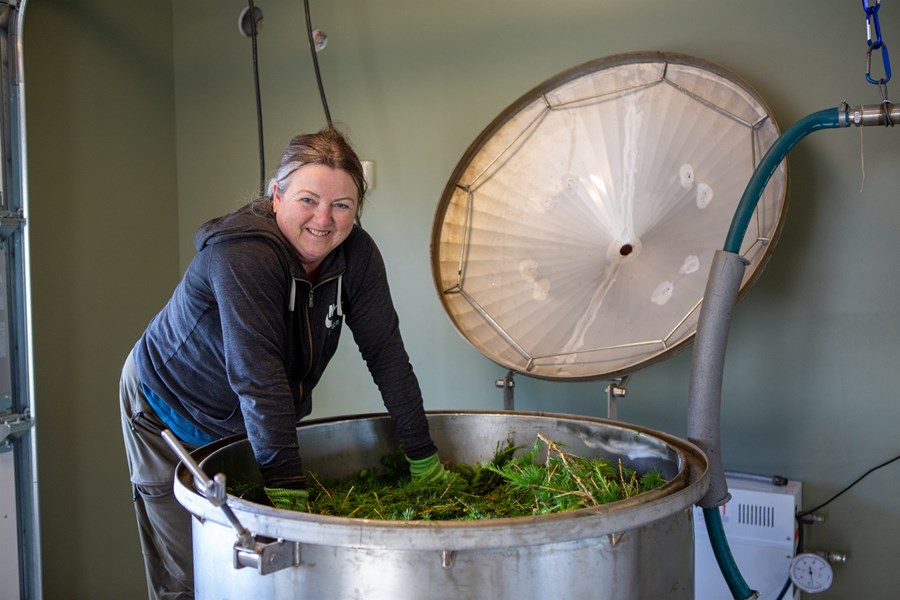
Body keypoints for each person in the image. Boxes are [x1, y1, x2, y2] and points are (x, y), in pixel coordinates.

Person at [119, 127, 453, 600]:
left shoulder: (357, 255)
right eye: (308, 199)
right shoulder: (244, 254)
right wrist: (289, 504)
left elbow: (387, 354)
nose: (324, 219)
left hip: (252, 418)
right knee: (192, 572)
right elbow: (259, 377)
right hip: (168, 412)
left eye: (342, 205)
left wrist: (423, 457)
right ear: (276, 195)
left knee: (260, 578)